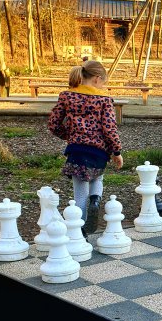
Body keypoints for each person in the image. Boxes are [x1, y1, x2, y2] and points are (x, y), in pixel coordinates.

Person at [48, 60, 123, 235]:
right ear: (97, 79)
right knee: (98, 178)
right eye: (103, 82)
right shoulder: (104, 100)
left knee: (80, 192)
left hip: (77, 150)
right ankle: (95, 200)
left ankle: (80, 234)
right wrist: (116, 151)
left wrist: (69, 135)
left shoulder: (67, 96)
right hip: (98, 151)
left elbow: (53, 124)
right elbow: (109, 128)